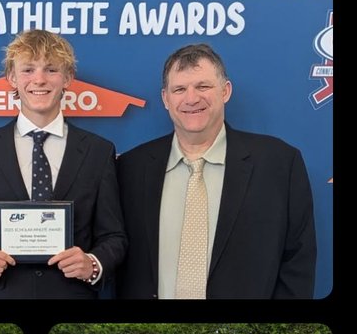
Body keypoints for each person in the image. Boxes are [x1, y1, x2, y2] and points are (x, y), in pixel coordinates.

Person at [117, 42, 317, 299]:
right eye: (179, 89)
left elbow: (298, 261)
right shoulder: (130, 168)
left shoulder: (279, 163)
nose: (191, 98)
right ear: (166, 99)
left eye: (203, 86)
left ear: (225, 91)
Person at [0, 29, 127, 299]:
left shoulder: (98, 151)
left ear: (68, 78)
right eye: (28, 70)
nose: (39, 79)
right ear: (11, 78)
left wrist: (93, 264)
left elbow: (114, 236)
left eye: (51, 69)